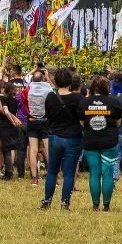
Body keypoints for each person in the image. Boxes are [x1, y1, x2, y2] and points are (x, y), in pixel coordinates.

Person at [78, 75, 122, 212]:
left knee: (94, 173)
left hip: (90, 141)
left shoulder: (84, 103)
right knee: (107, 173)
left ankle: (95, 205)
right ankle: (106, 206)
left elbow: (81, 123)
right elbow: (118, 123)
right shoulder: (113, 102)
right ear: (106, 88)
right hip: (109, 141)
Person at [40, 68, 83, 210]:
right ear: (70, 81)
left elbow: (48, 115)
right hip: (73, 137)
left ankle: (47, 200)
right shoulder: (77, 98)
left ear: (56, 82)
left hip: (55, 136)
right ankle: (65, 202)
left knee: (52, 171)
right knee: (69, 173)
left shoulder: (51, 97)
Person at [23, 67, 52, 186]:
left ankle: (34, 177)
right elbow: (55, 91)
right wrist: (48, 78)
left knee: (33, 150)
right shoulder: (48, 88)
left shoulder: (28, 90)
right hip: (45, 120)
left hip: (31, 120)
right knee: (48, 149)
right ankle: (52, 177)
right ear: (43, 78)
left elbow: (25, 81)